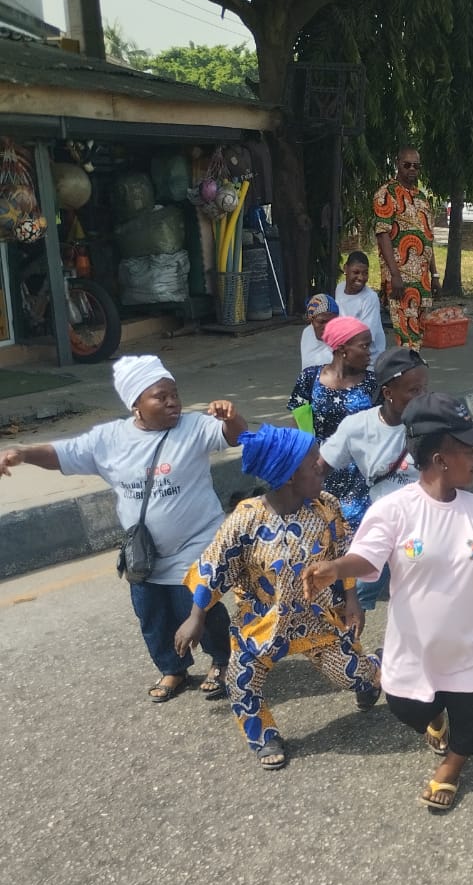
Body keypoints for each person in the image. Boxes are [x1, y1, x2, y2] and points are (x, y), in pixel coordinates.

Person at [302, 393, 473, 811]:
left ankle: (452, 765)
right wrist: (336, 568)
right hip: (414, 646)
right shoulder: (394, 510)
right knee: (405, 706)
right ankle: (433, 717)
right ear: (440, 459)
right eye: (466, 450)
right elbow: (368, 557)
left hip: (472, 645)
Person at [0, 356, 243, 702]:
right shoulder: (110, 439)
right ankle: (173, 669)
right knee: (151, 613)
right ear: (136, 405)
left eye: (174, 394)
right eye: (160, 396)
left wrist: (230, 418)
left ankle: (222, 660)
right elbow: (61, 454)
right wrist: (23, 453)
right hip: (144, 552)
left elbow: (235, 436)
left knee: (199, 607)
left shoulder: (193, 427)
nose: (172, 402)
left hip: (196, 543)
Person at [175, 425, 382, 771]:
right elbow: (215, 566)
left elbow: (344, 552)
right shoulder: (246, 519)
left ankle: (374, 668)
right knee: (240, 681)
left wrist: (352, 600)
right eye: (312, 463)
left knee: (351, 676)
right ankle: (264, 736)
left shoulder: (326, 506)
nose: (321, 466)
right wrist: (196, 617)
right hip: (261, 621)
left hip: (316, 617)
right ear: (288, 476)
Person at [319, 347, 429, 608]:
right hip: (384, 528)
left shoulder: (434, 421)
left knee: (421, 595)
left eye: (424, 389)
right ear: (388, 393)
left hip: (425, 527)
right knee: (357, 595)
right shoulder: (357, 427)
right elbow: (318, 470)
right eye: (414, 390)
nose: (422, 397)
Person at [288, 316, 376, 531]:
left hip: (361, 475)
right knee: (320, 531)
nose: (370, 353)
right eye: (364, 346)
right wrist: (298, 466)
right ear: (342, 348)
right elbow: (297, 426)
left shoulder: (374, 383)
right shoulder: (309, 378)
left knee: (356, 531)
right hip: (319, 470)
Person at [373, 146, 440, 349]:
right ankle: (407, 369)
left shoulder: (421, 198)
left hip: (422, 280)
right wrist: (394, 275)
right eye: (407, 165)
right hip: (401, 279)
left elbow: (427, 238)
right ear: (397, 164)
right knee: (406, 337)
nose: (412, 169)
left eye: (416, 166)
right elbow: (383, 234)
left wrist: (435, 275)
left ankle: (413, 368)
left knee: (418, 335)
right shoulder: (386, 194)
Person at [335, 251, 386, 360]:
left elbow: (365, 337)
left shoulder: (370, 298)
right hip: (346, 353)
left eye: (365, 273)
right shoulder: (339, 288)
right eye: (356, 272)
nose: (361, 278)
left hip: (368, 359)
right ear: (345, 269)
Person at [299, 293, 339, 371]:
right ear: (311, 320)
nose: (327, 327)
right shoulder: (307, 333)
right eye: (321, 322)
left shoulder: (344, 341)